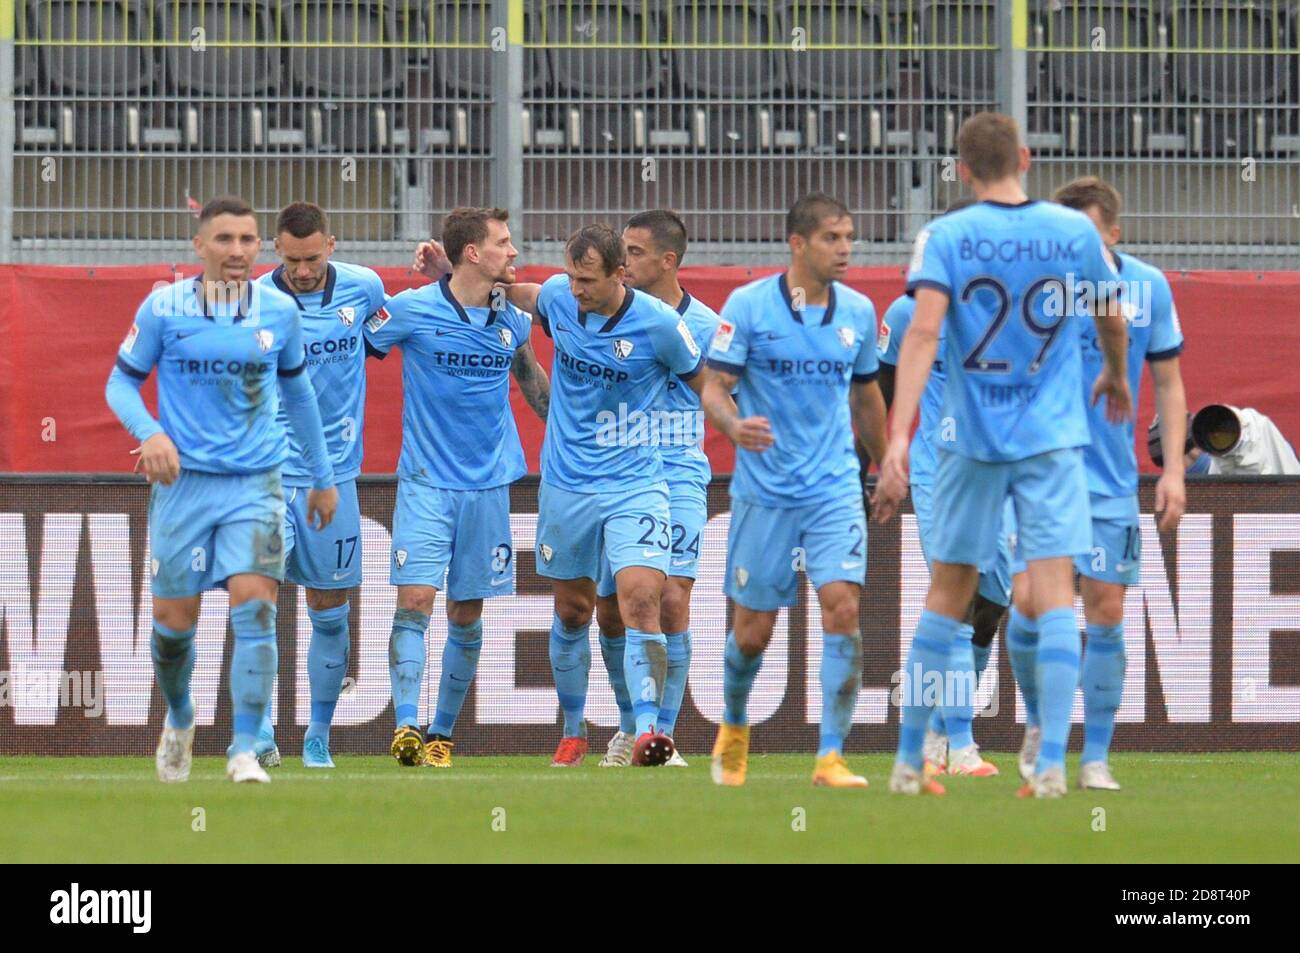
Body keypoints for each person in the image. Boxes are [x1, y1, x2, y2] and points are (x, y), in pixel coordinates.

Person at [874, 114, 1133, 798]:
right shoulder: (1073, 231)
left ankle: (908, 761)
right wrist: (1115, 371)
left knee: (946, 598)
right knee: (1051, 598)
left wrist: (898, 437)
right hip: (1049, 441)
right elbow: (1111, 313)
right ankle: (1049, 763)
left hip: (967, 440)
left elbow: (924, 333)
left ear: (960, 169)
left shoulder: (946, 236)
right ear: (1024, 156)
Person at [104, 195, 337, 784]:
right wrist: (150, 433)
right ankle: (181, 717)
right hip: (184, 489)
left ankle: (242, 750)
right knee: (173, 626)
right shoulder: (163, 309)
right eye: (225, 239)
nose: (237, 251)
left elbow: (300, 396)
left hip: (257, 483)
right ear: (200, 245)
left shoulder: (279, 313)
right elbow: (121, 385)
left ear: (260, 246)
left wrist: (323, 477)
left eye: (247, 240)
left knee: (256, 607)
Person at [698, 192, 889, 788]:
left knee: (843, 608)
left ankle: (830, 756)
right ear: (799, 243)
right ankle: (733, 727)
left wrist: (884, 465)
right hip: (766, 491)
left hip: (834, 485)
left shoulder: (858, 312)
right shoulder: (750, 307)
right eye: (833, 238)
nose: (846, 249)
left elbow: (865, 396)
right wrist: (731, 424)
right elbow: (713, 385)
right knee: (753, 635)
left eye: (850, 238)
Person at [502, 224, 707, 768]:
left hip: (651, 477)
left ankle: (653, 733)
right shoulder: (561, 300)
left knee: (655, 601)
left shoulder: (677, 325)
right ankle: (582, 731)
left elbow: (713, 384)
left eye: (586, 279)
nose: (576, 289)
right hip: (569, 484)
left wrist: (748, 429)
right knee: (580, 611)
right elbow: (525, 295)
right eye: (570, 276)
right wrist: (470, 276)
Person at [1006, 176, 1187, 791]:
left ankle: (1095, 758)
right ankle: (1040, 722)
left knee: (1107, 611)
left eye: (1087, 232)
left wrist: (1175, 471)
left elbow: (1168, 381)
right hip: (1041, 471)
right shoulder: (1037, 291)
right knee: (1029, 601)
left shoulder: (1148, 287)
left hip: (1111, 479)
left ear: (1112, 231)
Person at [371, 207, 549, 768]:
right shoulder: (411, 311)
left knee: (466, 613)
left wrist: (579, 439)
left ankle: (441, 734)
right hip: (426, 483)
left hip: (489, 487)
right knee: (416, 601)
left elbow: (535, 388)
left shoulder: (512, 318)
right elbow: (354, 351)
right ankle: (404, 726)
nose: (514, 251)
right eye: (504, 242)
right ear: (474, 253)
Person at [249, 201, 389, 769]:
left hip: (334, 480)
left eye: (311, 258)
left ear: (331, 245)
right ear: (275, 251)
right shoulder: (254, 300)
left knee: (330, 609)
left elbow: (383, 342)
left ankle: (318, 736)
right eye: (291, 259)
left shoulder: (366, 289)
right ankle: (259, 730)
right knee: (256, 598)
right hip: (267, 475)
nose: (302, 270)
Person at [876, 197, 1006, 780]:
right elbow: (878, 383)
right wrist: (888, 457)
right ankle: (960, 741)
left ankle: (930, 728)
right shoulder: (909, 314)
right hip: (941, 468)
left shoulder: (1018, 308)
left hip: (1006, 470)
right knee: (953, 596)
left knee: (994, 602)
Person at [592, 210, 722, 768]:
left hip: (679, 473)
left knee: (672, 599)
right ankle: (629, 724)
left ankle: (660, 737)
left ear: (669, 261)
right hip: (614, 474)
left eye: (636, 253)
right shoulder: (605, 312)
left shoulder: (711, 327)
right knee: (610, 611)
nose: (625, 262)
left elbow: (730, 394)